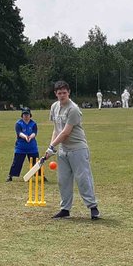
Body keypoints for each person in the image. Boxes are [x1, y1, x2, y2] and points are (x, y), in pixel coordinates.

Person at [48, 81, 100, 220]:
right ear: (55, 94)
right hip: (63, 150)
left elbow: (65, 132)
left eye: (64, 93)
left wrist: (52, 146)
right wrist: (51, 147)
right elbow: (56, 129)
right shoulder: (54, 107)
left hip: (78, 149)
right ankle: (65, 209)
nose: (62, 95)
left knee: (83, 178)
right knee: (63, 180)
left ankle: (93, 208)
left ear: (69, 92)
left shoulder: (73, 109)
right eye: (59, 93)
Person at [7, 107, 39, 181]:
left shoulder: (33, 123)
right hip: (21, 147)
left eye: (27, 114)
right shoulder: (18, 123)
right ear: (22, 115)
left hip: (32, 147)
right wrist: (25, 137)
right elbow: (19, 133)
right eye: (24, 114)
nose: (26, 116)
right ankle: (10, 176)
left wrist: (30, 137)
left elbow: (34, 132)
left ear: (30, 115)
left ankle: (40, 175)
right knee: (17, 162)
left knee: (36, 162)